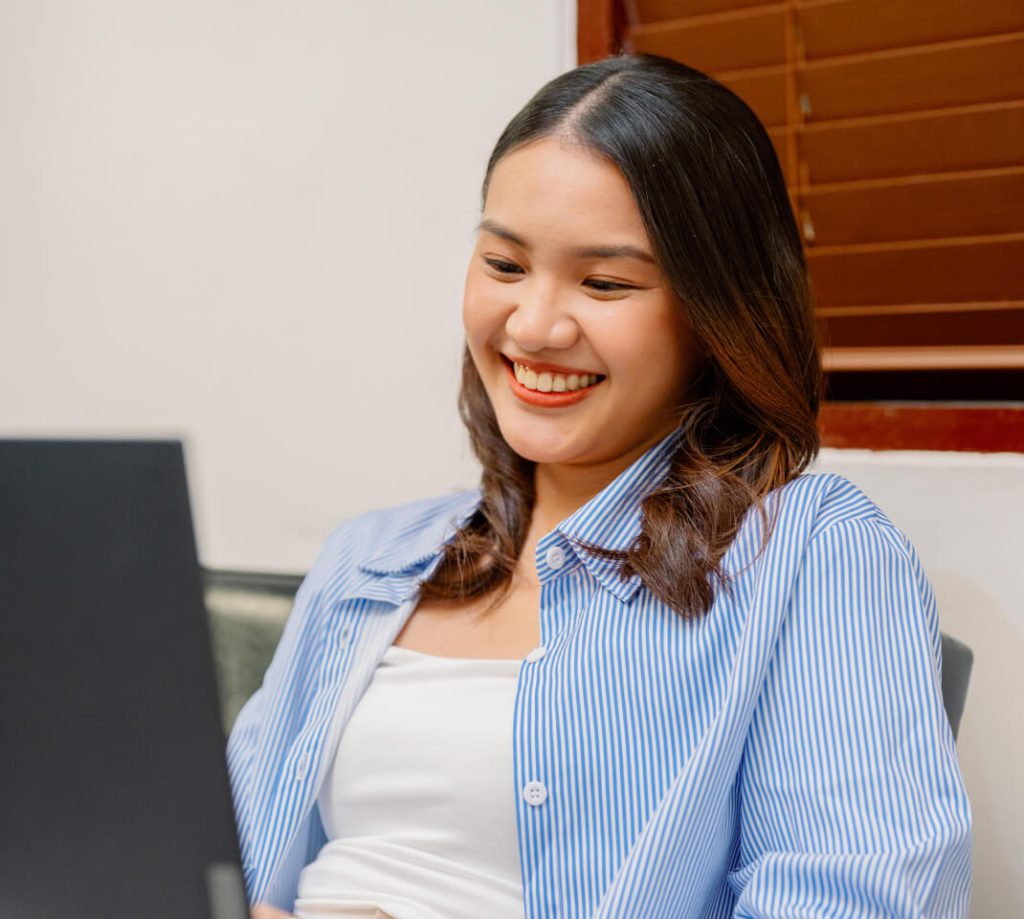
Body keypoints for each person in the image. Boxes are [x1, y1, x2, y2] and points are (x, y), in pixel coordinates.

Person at [231, 52, 972, 919]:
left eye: (605, 282)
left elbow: (855, 902)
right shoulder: (369, 557)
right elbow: (216, 860)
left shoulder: (812, 555)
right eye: (504, 265)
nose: (534, 325)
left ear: (715, 313)